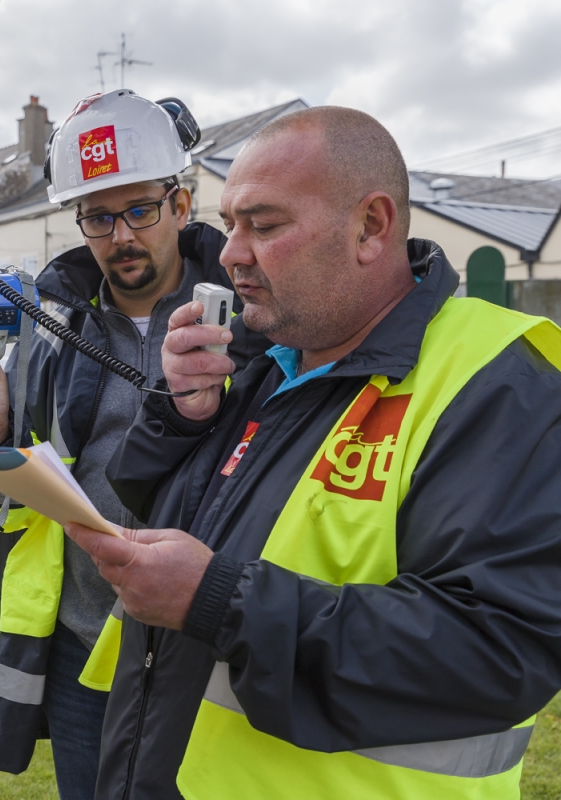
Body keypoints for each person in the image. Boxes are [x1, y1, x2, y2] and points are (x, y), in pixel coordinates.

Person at [65, 106, 561, 799]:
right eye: (231, 222)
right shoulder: (266, 359)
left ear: (371, 226)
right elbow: (186, 527)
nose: (232, 252)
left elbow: (499, 651)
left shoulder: (495, 384)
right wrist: (180, 419)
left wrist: (217, 598)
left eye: (263, 226)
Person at [0, 91, 267, 797]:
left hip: (207, 651)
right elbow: (16, 507)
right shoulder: (50, 331)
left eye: (140, 210)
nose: (119, 235)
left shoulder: (256, 319)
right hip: (85, 652)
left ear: (182, 206)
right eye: (97, 215)